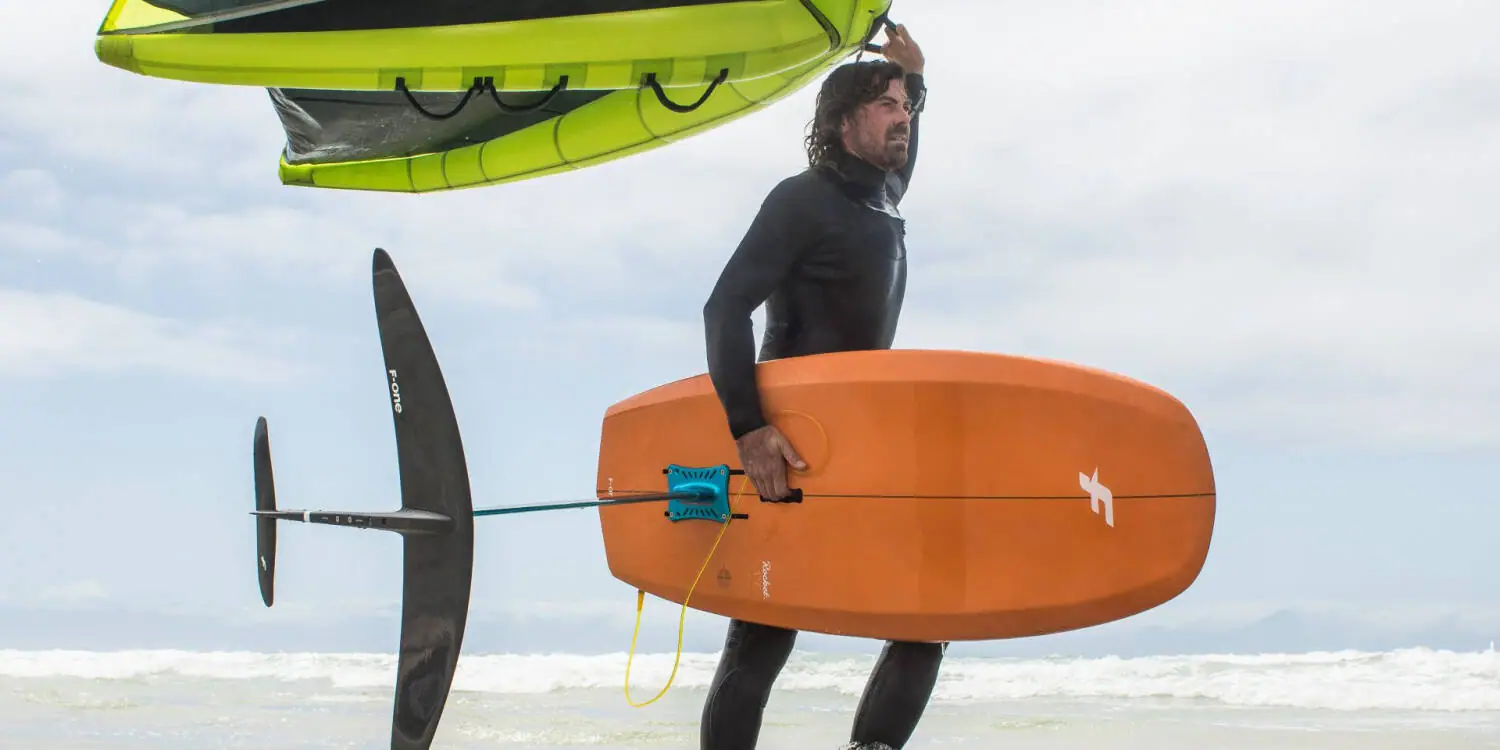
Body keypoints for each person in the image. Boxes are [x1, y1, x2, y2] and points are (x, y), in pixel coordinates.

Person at [698, 25, 944, 750]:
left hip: (863, 446)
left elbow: (905, 143)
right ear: (843, 122)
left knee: (927, 617)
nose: (903, 118)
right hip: (795, 448)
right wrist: (749, 428)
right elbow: (725, 308)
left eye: (906, 107)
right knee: (764, 638)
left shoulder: (884, 198)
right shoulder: (802, 201)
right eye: (886, 106)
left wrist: (914, 78)